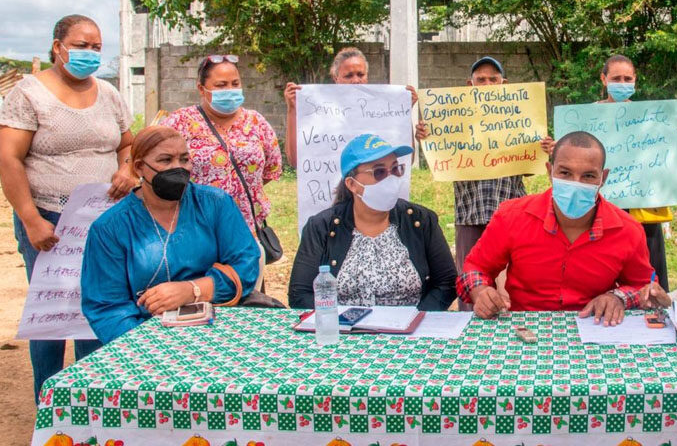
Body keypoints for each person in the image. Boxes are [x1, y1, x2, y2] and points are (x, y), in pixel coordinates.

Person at [0, 15, 137, 401]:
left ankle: (88, 402)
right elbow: (8, 159)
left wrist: (127, 168)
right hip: (50, 220)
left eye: (96, 47)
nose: (90, 53)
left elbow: (126, 144)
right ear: (58, 47)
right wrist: (30, 220)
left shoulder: (108, 93)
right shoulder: (28, 94)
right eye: (81, 45)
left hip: (103, 220)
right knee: (53, 317)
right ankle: (49, 400)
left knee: (97, 306)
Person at [458, 131, 671, 325]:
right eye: (565, 173)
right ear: (550, 171)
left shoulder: (627, 229)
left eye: (588, 176)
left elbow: (645, 286)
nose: (575, 183)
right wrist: (481, 290)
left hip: (595, 328)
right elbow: (474, 268)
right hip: (522, 329)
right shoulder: (511, 216)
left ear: (603, 178)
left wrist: (617, 297)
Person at [81, 126, 261, 345]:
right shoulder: (110, 228)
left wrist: (191, 291)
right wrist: (151, 348)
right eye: (165, 160)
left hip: (221, 330)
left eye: (184, 159)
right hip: (147, 340)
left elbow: (246, 266)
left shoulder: (215, 204)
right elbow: (108, 308)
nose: (178, 168)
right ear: (139, 168)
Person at [541, 54, 677, 292]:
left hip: (644, 208)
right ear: (603, 79)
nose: (622, 83)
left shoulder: (656, 117)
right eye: (616, 78)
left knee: (648, 272)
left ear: (635, 81)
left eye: (627, 78)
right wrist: (554, 147)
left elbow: (669, 152)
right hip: (600, 207)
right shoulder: (585, 116)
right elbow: (569, 152)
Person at [288, 134, 457, 310]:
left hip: (411, 331)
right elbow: (300, 294)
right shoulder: (322, 226)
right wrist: (338, 322)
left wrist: (416, 318)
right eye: (379, 172)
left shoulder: (420, 221)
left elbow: (446, 283)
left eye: (396, 169)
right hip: (345, 331)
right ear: (352, 184)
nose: (391, 178)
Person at [415, 57, 547, 281]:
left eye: (493, 79)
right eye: (481, 79)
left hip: (510, 211)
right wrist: (427, 138)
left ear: (503, 84)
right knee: (471, 276)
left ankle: (512, 315)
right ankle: (470, 317)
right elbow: (442, 156)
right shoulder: (453, 114)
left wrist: (543, 148)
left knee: (514, 276)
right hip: (469, 212)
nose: (487, 85)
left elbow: (529, 167)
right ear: (470, 85)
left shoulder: (520, 115)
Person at [161, 54, 283, 285]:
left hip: (246, 232)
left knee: (247, 299)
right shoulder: (180, 122)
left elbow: (268, 171)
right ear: (202, 88)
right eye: (221, 85)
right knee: (200, 295)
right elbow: (156, 161)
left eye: (235, 84)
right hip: (194, 230)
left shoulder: (256, 123)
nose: (230, 90)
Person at [284, 47, 417, 165]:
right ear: (336, 78)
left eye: (360, 74)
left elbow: (406, 160)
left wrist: (405, 112)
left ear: (367, 76)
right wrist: (292, 110)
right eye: (348, 76)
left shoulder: (385, 111)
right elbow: (295, 160)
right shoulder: (318, 110)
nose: (355, 80)